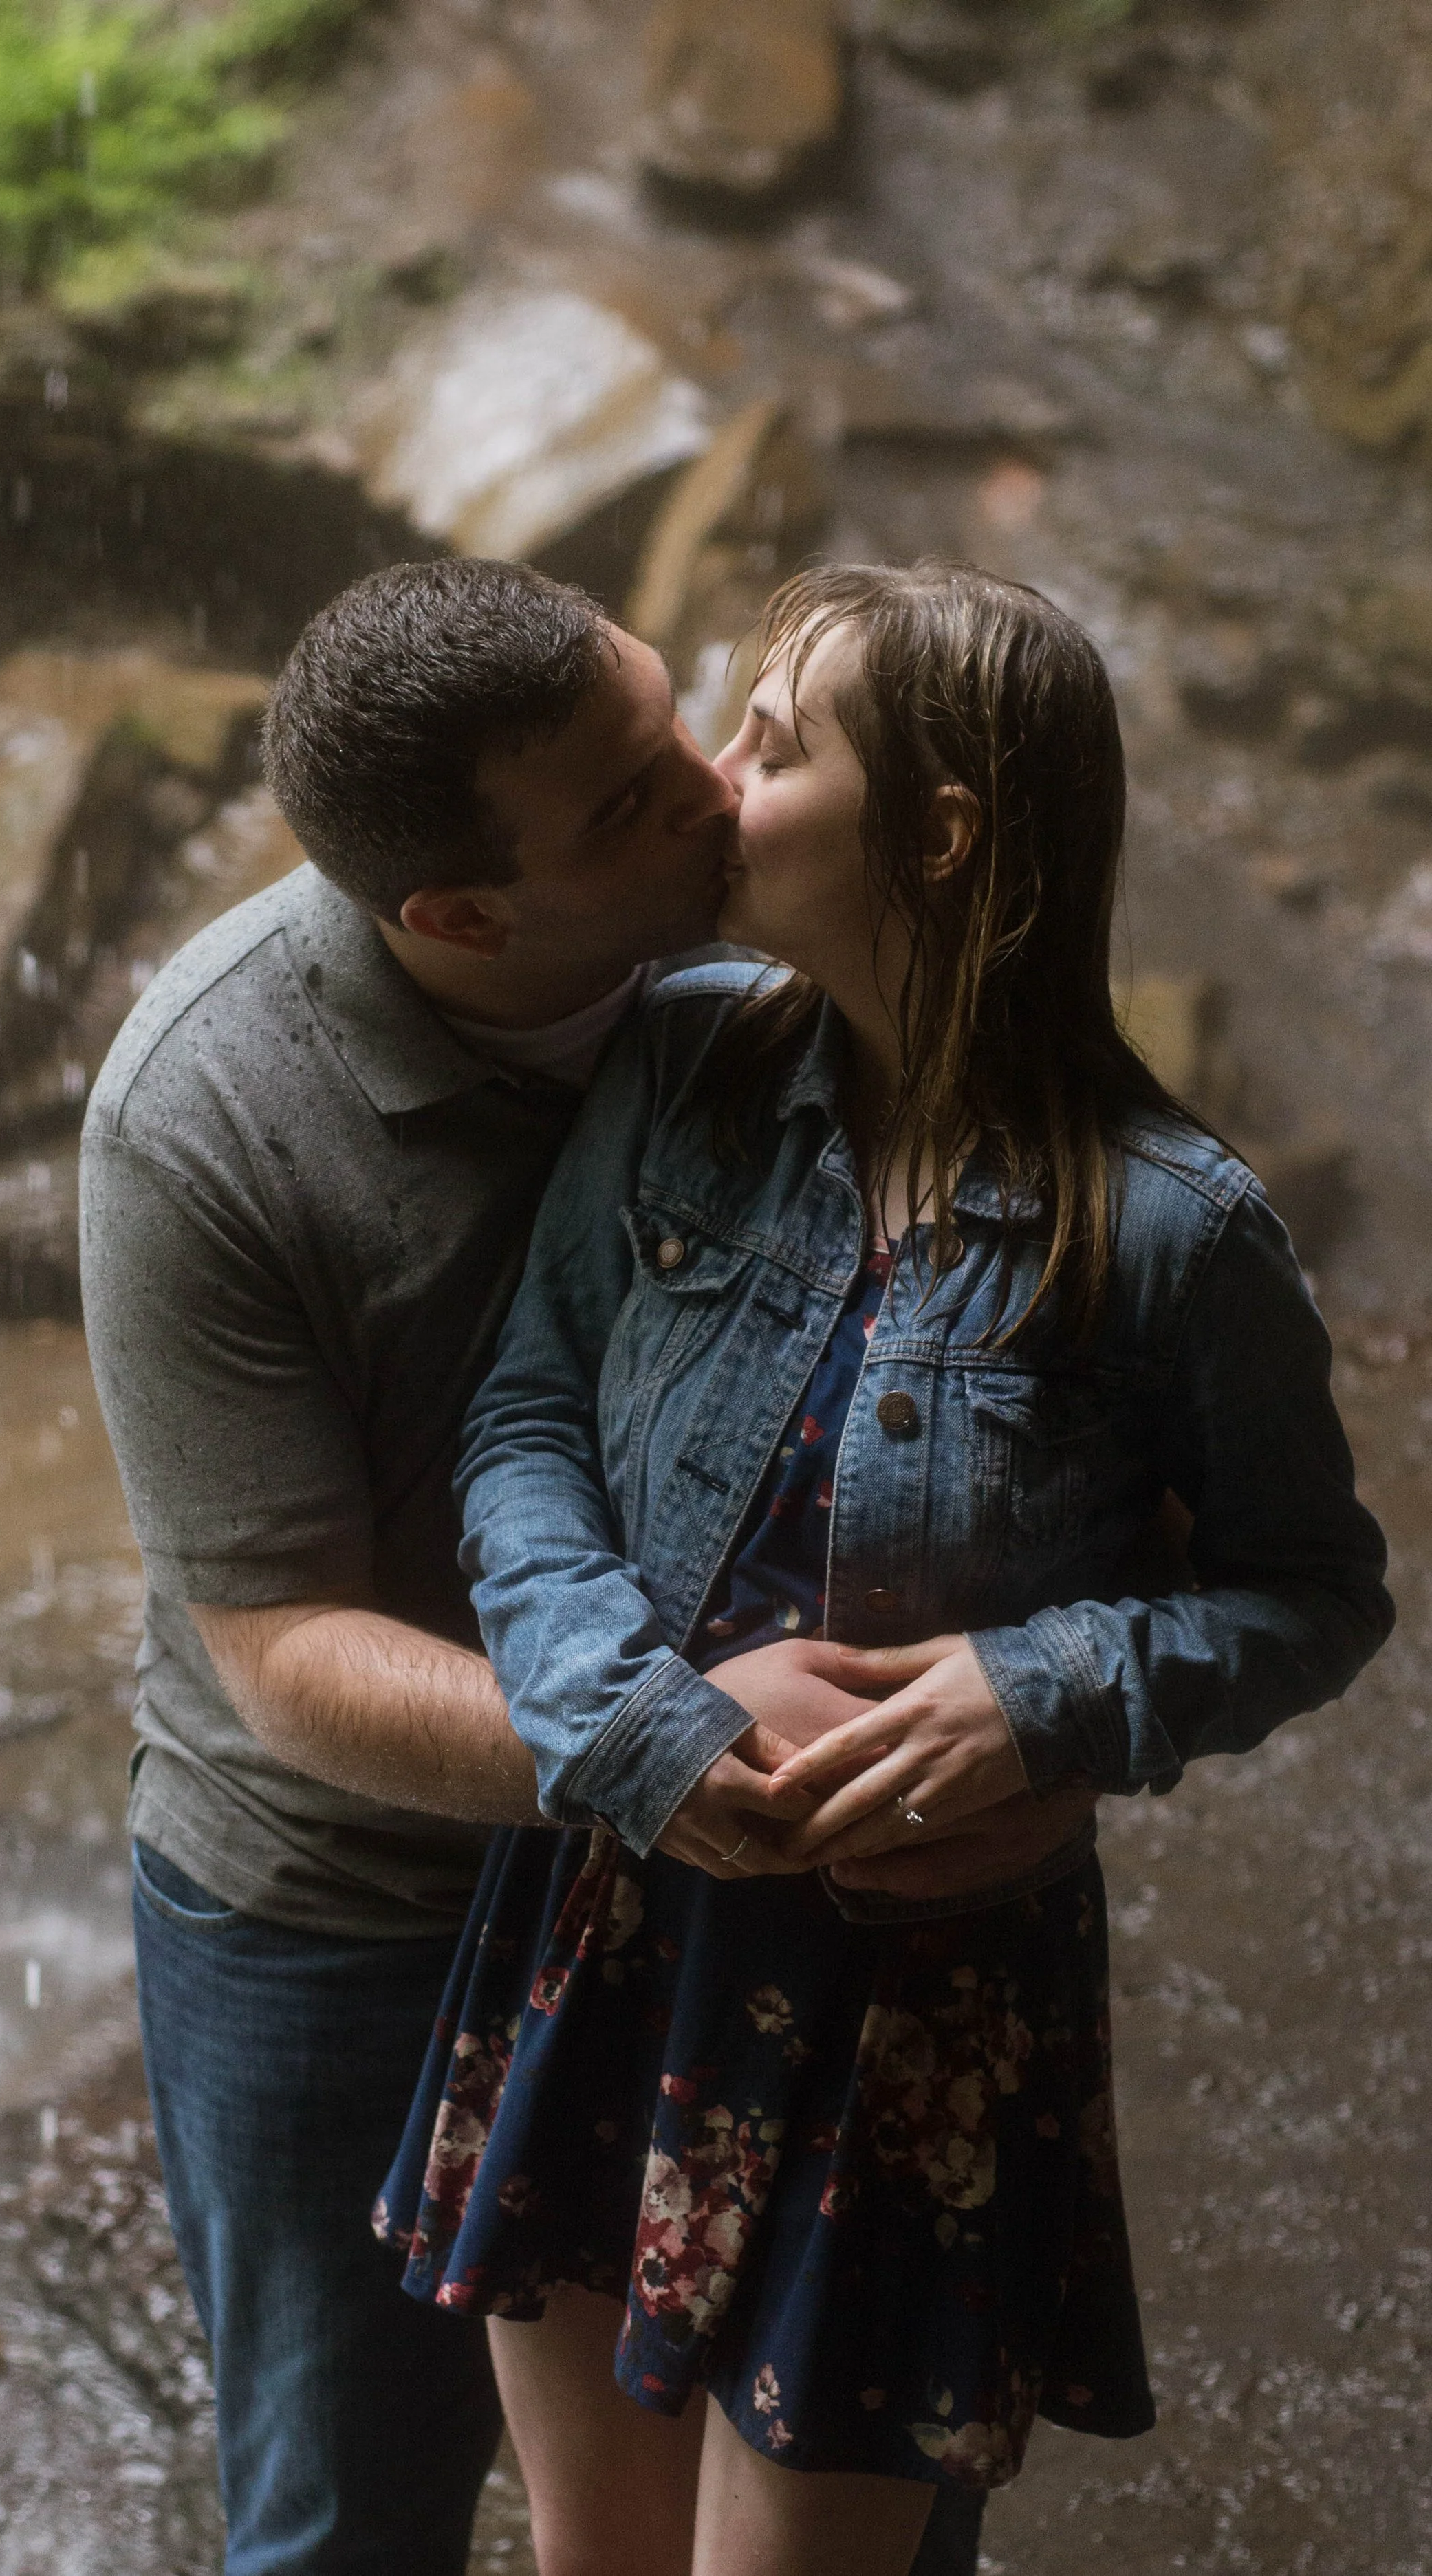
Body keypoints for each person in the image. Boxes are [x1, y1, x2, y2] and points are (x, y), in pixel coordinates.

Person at [376, 560, 1395, 2576]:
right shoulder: (681, 1063)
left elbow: (1312, 1592)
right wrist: (629, 1723)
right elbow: (519, 1428)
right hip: (619, 1909)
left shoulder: (1175, 1233)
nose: (712, 774)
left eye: (776, 736)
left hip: (916, 2017)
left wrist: (1049, 1691)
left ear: (934, 835)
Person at [79, 558, 1064, 2574]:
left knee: (850, 2480)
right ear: (456, 914)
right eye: (625, 806)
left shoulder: (762, 983)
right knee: (350, 2511)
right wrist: (656, 1745)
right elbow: (273, 1645)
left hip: (733, 1890)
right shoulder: (206, 1120)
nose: (718, 795)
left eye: (677, 722)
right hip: (342, 1905)